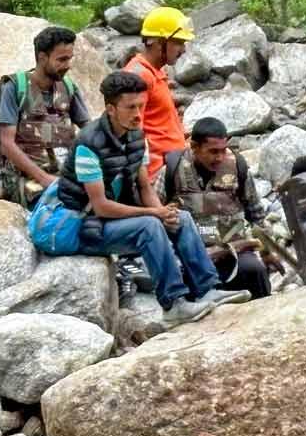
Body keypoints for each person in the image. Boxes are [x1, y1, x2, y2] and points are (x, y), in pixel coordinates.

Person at [30, 71, 250, 328]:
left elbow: (144, 187)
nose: (138, 113)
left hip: (103, 222)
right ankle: (174, 304)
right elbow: (100, 206)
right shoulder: (88, 145)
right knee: (149, 225)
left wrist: (163, 212)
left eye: (141, 106)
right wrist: (154, 215)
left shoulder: (136, 137)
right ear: (111, 109)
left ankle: (206, 288)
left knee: (181, 218)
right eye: (130, 107)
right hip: (80, 227)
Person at [161, 117, 272, 299]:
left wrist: (267, 252)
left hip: (234, 251)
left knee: (255, 270)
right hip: (190, 256)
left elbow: (256, 214)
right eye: (213, 152)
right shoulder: (172, 171)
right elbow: (154, 213)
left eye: (223, 150)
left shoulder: (238, 167)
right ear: (194, 147)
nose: (219, 157)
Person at [0, 26, 92, 208]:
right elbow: (6, 144)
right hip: (23, 180)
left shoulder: (69, 88)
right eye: (61, 59)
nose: (68, 65)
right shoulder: (14, 88)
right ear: (42, 57)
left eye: (69, 59)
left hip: (64, 176)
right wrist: (44, 178)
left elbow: (89, 130)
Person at [123, 6, 194, 178]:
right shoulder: (139, 76)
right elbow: (131, 134)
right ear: (157, 42)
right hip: (159, 172)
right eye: (178, 42)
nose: (183, 50)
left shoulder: (156, 72)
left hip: (173, 162)